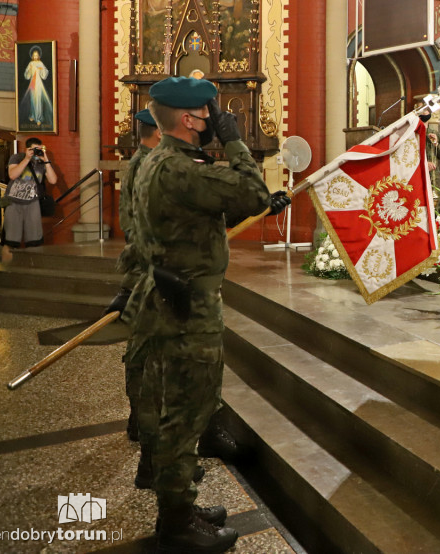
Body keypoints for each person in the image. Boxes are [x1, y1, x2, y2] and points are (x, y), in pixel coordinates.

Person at [122, 76, 289, 552]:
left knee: (180, 406)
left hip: (171, 297)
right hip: (188, 308)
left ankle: (181, 505)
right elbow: (255, 191)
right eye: (210, 115)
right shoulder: (180, 168)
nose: (214, 121)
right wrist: (235, 139)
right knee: (187, 413)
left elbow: (206, 213)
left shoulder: (158, 163)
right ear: (191, 118)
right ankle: (177, 523)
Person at [106, 109, 161, 443]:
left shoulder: (143, 161)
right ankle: (146, 428)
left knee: (144, 351)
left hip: (144, 267)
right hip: (149, 271)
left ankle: (140, 422)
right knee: (147, 354)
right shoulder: (148, 166)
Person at [1, 137, 57, 257]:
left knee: (34, 240)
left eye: (39, 149)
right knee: (10, 240)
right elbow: (12, 175)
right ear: (27, 149)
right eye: (34, 149)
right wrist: (27, 158)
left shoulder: (42, 163)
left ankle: (33, 267)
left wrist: (46, 160)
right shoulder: (17, 157)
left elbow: (53, 180)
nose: (37, 152)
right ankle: (6, 268)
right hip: (13, 202)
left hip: (33, 202)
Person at [19, 47, 53, 131]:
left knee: (38, 101)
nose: (35, 56)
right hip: (32, 84)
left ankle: (39, 118)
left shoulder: (40, 63)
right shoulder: (31, 63)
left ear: (38, 56)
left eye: (36, 55)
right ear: (32, 56)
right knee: (32, 100)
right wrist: (30, 69)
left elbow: (45, 73)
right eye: (34, 55)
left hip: (38, 84)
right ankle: (32, 115)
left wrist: (41, 69)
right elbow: (27, 75)